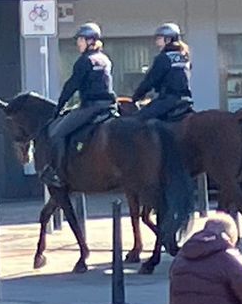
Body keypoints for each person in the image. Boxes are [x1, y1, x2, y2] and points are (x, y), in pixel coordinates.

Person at [41, 22, 116, 188]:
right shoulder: (104, 59)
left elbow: (71, 86)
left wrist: (59, 107)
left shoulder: (84, 61)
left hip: (91, 107)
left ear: (90, 41)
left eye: (80, 40)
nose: (78, 43)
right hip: (109, 106)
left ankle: (57, 173)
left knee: (57, 133)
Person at [131, 23, 193, 121]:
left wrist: (136, 97)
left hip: (168, 100)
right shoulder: (184, 57)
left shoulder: (164, 58)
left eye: (159, 38)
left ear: (168, 40)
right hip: (186, 99)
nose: (156, 42)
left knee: (137, 120)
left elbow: (151, 80)